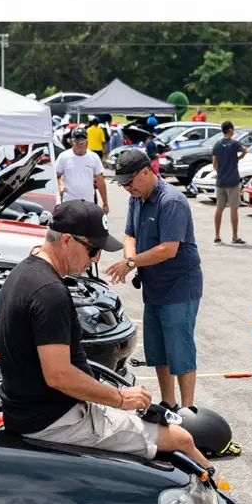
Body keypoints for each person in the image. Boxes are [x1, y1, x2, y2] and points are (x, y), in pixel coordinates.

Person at [0, 200, 210, 467]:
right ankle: (218, 500)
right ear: (66, 241)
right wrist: (120, 398)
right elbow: (59, 375)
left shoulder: (23, 272)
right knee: (180, 439)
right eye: (93, 249)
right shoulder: (48, 292)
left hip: (39, 411)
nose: (96, 258)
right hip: (54, 420)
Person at [105, 149, 204, 409]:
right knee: (158, 350)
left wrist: (130, 262)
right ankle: (169, 403)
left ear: (146, 172)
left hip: (179, 287)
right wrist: (130, 259)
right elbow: (130, 235)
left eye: (129, 181)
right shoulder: (136, 199)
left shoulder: (171, 201)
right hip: (154, 287)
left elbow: (168, 249)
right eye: (123, 183)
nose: (126, 188)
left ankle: (188, 410)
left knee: (180, 349)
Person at [56, 127, 109, 212]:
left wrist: (105, 203)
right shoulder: (63, 157)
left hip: (88, 203)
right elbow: (57, 175)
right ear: (72, 141)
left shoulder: (94, 157)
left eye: (82, 142)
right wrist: (60, 184)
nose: (79, 144)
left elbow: (100, 181)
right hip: (69, 203)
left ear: (86, 142)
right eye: (76, 141)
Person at [211, 120, 248, 244]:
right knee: (233, 208)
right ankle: (235, 236)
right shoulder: (235, 144)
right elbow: (245, 150)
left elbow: (214, 164)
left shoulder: (217, 144)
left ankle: (217, 235)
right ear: (230, 130)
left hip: (220, 181)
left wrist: (220, 169)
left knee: (219, 208)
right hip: (232, 180)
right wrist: (238, 158)